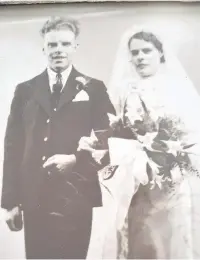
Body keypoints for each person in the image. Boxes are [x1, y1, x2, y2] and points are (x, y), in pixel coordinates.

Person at [1, 16, 115, 259]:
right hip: (35, 196)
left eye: (65, 44)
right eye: (52, 45)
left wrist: (75, 159)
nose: (58, 50)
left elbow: (110, 141)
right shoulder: (26, 90)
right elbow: (12, 146)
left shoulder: (93, 88)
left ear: (75, 47)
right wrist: (10, 201)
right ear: (44, 48)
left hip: (76, 195)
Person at [101, 25, 200, 259]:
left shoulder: (178, 89)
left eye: (146, 51)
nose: (140, 57)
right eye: (134, 53)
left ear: (161, 53)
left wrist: (170, 154)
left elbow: (192, 133)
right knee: (141, 240)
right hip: (136, 182)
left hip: (171, 179)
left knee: (171, 240)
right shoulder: (124, 91)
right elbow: (114, 131)